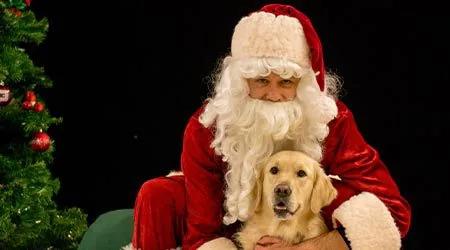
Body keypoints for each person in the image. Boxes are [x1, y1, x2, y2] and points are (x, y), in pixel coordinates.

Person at [128, 3, 411, 250]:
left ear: (303, 84)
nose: (273, 95)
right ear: (241, 81)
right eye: (261, 81)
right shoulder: (207, 127)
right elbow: (201, 234)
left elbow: (393, 213)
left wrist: (308, 248)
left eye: (286, 81)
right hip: (228, 225)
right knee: (158, 194)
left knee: (352, 199)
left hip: (303, 228)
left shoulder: (330, 121)